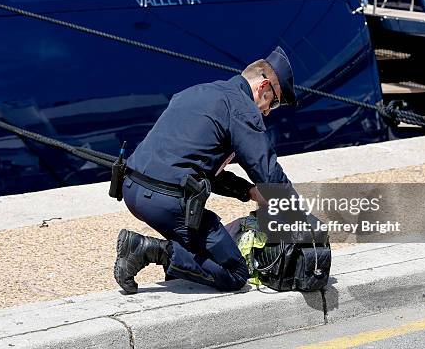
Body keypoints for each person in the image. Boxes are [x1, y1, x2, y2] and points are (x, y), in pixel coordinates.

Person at [113, 46, 297, 294]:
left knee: (197, 246)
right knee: (235, 273)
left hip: (132, 188)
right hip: (166, 201)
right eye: (272, 103)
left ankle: (170, 266)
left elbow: (201, 168)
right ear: (263, 87)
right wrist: (298, 216)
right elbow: (267, 170)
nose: (266, 111)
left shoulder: (199, 92)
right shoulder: (241, 108)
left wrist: (249, 191)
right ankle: (148, 250)